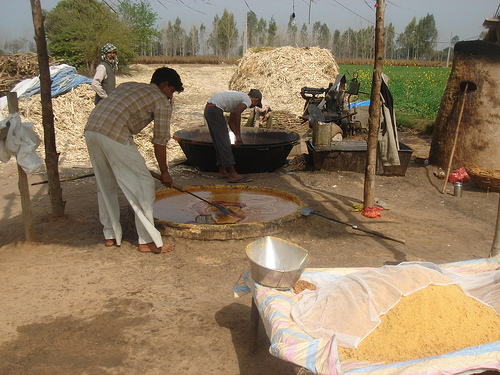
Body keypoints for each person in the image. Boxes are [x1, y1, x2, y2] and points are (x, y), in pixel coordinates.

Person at [85, 67, 183, 254]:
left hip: (92, 129)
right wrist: (164, 172)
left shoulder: (129, 85)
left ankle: (110, 235)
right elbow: (160, 141)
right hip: (114, 133)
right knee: (143, 184)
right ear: (163, 85)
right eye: (171, 91)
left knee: (105, 184)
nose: (170, 97)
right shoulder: (161, 101)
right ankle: (147, 241)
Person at [204, 89, 262, 183]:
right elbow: (238, 113)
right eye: (256, 104)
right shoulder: (247, 99)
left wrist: (236, 136)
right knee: (224, 142)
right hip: (215, 110)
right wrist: (238, 136)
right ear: (255, 99)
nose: (253, 107)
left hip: (209, 108)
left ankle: (223, 171)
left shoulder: (239, 99)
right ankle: (233, 174)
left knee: (219, 141)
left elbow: (231, 122)